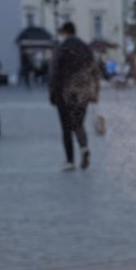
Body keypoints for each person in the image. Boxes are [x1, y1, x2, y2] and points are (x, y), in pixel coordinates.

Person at [48, 21, 99, 170]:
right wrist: (94, 92)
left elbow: (54, 71)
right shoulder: (86, 48)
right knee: (78, 123)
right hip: (83, 91)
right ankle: (84, 148)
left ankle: (70, 161)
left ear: (65, 32)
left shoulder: (61, 48)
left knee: (66, 127)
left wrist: (52, 92)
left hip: (65, 92)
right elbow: (94, 70)